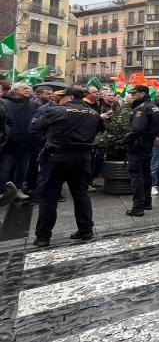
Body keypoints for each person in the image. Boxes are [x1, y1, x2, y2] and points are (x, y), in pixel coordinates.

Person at [30, 87, 103, 247]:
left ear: (69, 97)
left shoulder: (56, 111)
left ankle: (43, 237)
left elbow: (34, 129)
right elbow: (99, 130)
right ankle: (86, 230)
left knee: (49, 197)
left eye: (62, 96)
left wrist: (48, 140)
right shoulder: (94, 113)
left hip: (56, 157)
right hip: (83, 157)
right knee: (81, 194)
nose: (60, 99)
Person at [123, 85, 159, 216]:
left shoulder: (142, 108)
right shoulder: (152, 106)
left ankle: (138, 207)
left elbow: (137, 129)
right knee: (146, 173)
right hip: (147, 144)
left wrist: (126, 140)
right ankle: (146, 202)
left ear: (141, 94)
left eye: (134, 93)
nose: (132, 95)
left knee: (136, 175)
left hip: (139, 145)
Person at [0, 83, 38, 200]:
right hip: (9, 143)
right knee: (5, 168)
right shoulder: (5, 103)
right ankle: (2, 191)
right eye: (24, 88)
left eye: (28, 88)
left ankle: (18, 189)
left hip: (26, 142)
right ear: (15, 90)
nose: (28, 90)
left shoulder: (33, 104)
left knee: (22, 168)